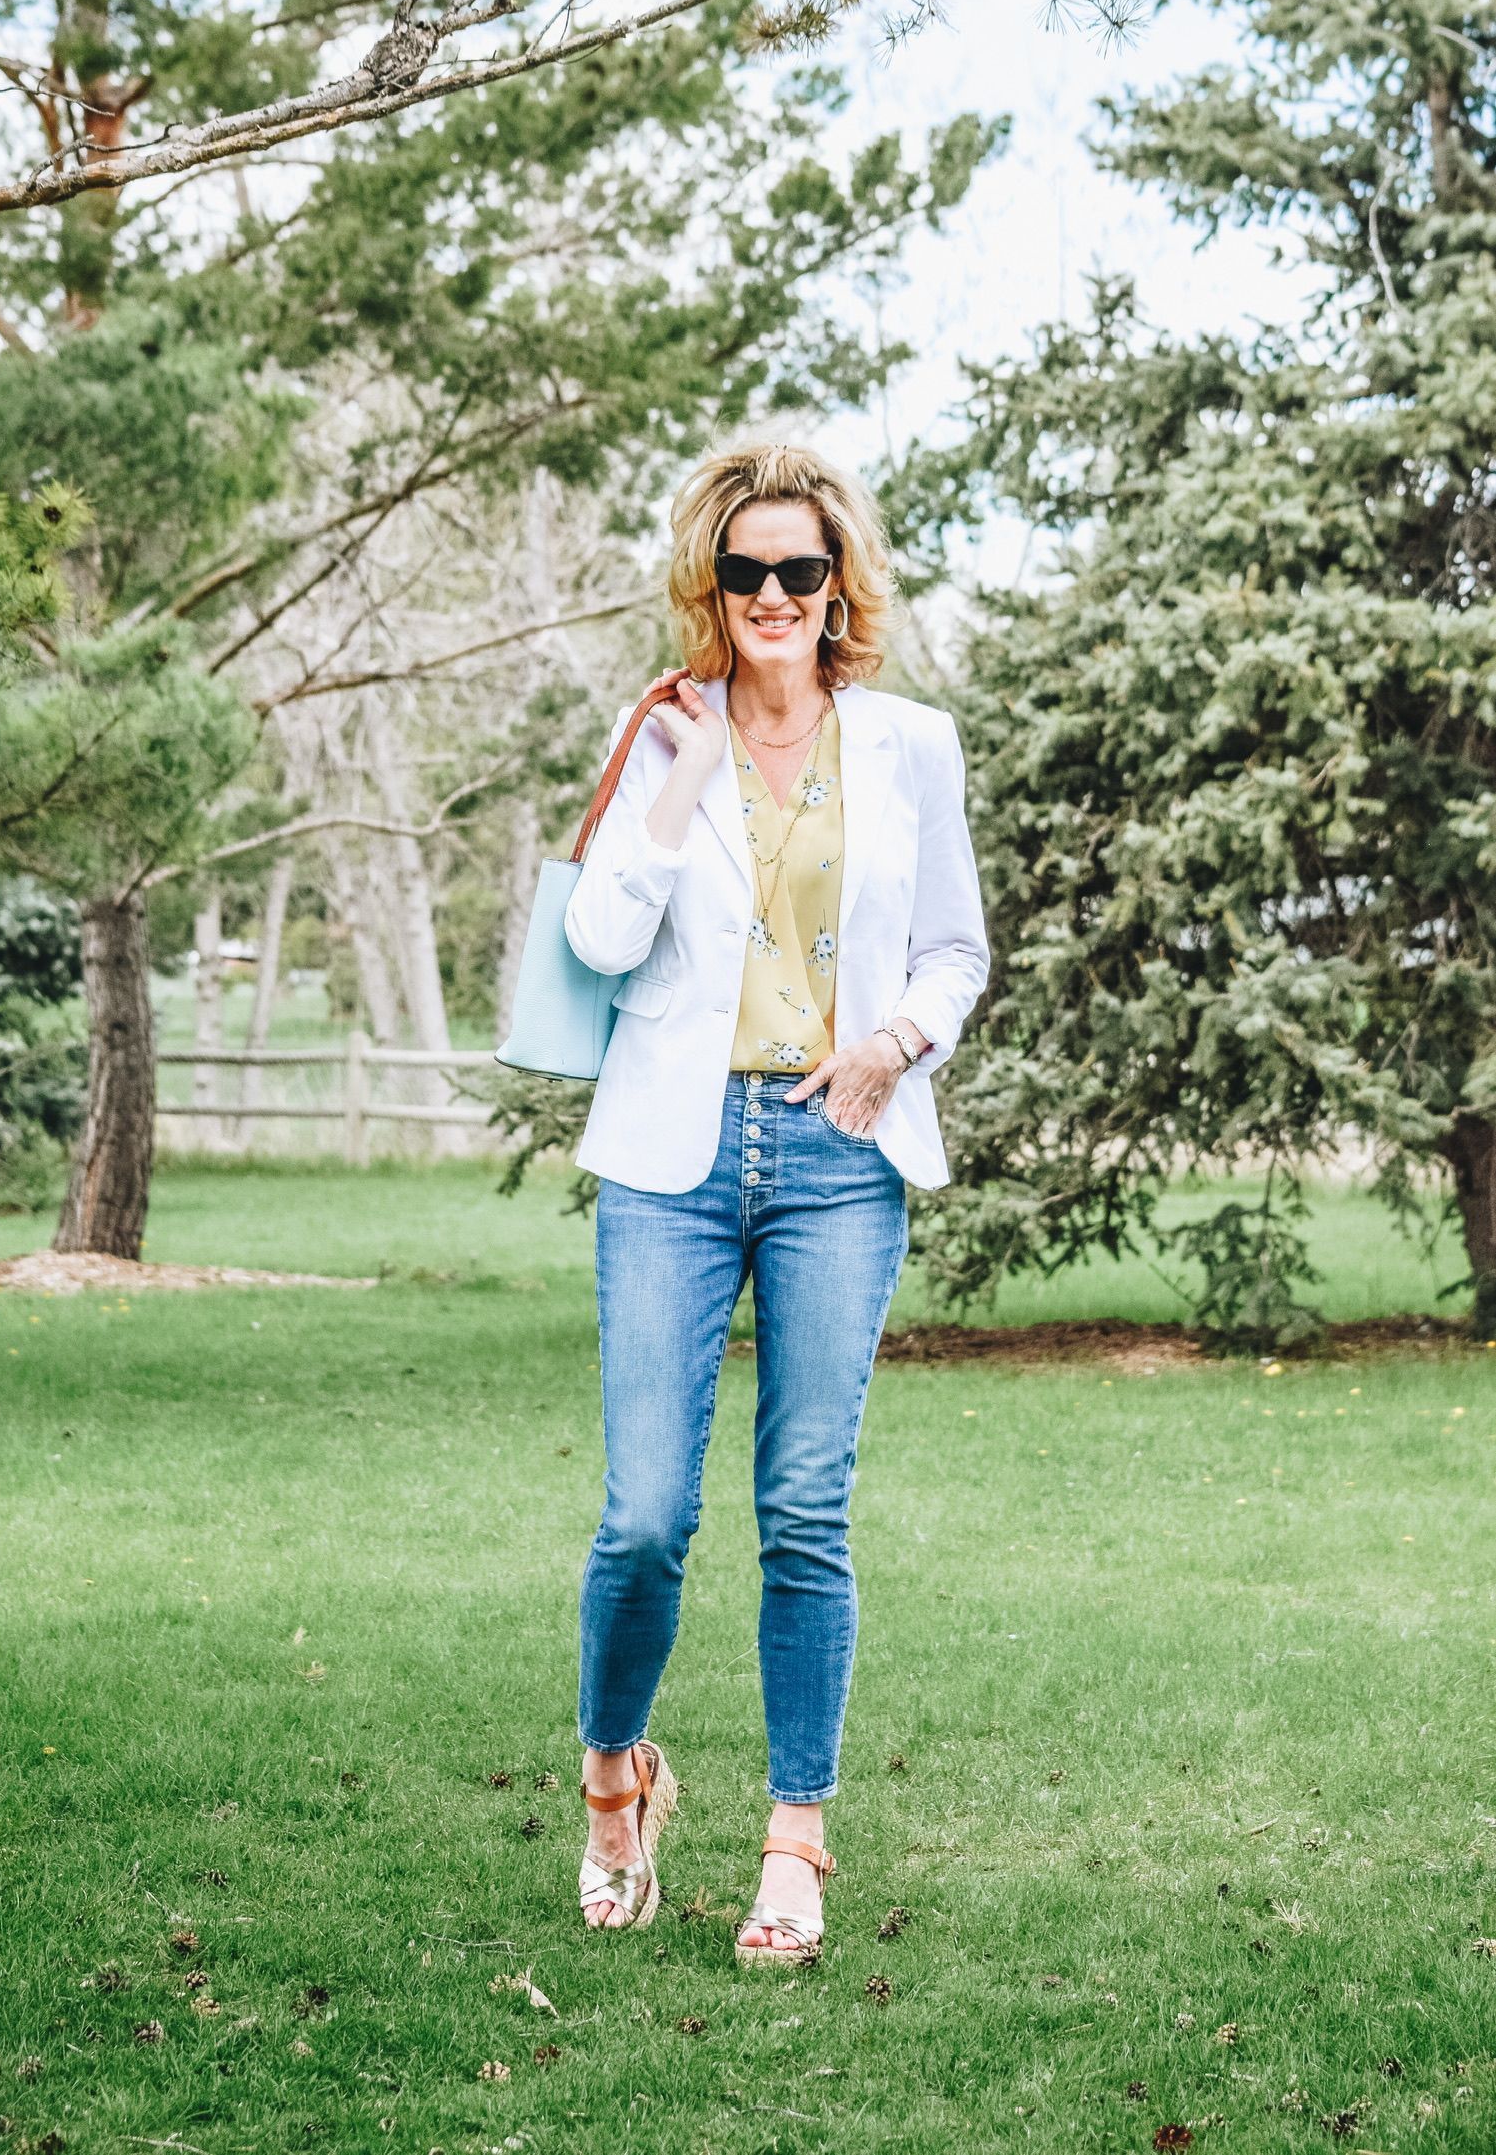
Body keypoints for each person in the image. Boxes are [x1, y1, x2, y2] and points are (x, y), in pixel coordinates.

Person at [562, 439, 990, 1962]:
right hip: (672, 1165)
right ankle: (615, 1778)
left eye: (797, 569)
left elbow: (953, 950)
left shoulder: (908, 747)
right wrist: (677, 776)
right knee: (644, 1517)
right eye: (742, 569)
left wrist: (892, 1043)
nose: (769, 595)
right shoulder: (664, 733)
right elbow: (604, 940)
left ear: (837, 586)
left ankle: (794, 1840)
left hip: (837, 1158)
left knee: (804, 1510)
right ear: (711, 581)